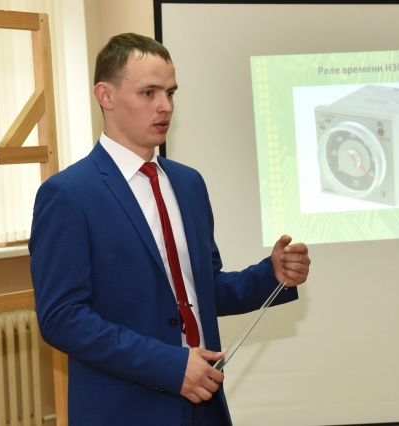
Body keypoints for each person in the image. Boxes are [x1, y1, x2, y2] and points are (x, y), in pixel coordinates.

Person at [29, 33, 311, 426]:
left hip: (205, 405)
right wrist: (171, 366)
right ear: (106, 96)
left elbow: (201, 290)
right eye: (149, 93)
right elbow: (63, 318)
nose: (165, 106)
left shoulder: (188, 183)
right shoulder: (68, 194)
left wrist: (271, 275)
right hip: (126, 411)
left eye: (170, 93)